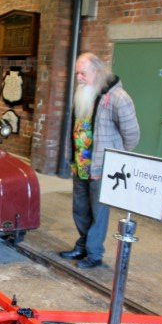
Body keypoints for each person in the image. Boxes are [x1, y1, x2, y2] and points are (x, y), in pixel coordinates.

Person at [59, 52, 140, 269]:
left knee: (98, 213)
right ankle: (83, 246)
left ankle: (94, 254)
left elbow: (132, 135)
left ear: (96, 71)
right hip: (81, 164)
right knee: (80, 209)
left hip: (103, 168)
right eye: (77, 73)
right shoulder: (84, 93)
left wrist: (114, 159)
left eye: (83, 73)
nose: (79, 78)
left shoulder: (118, 98)